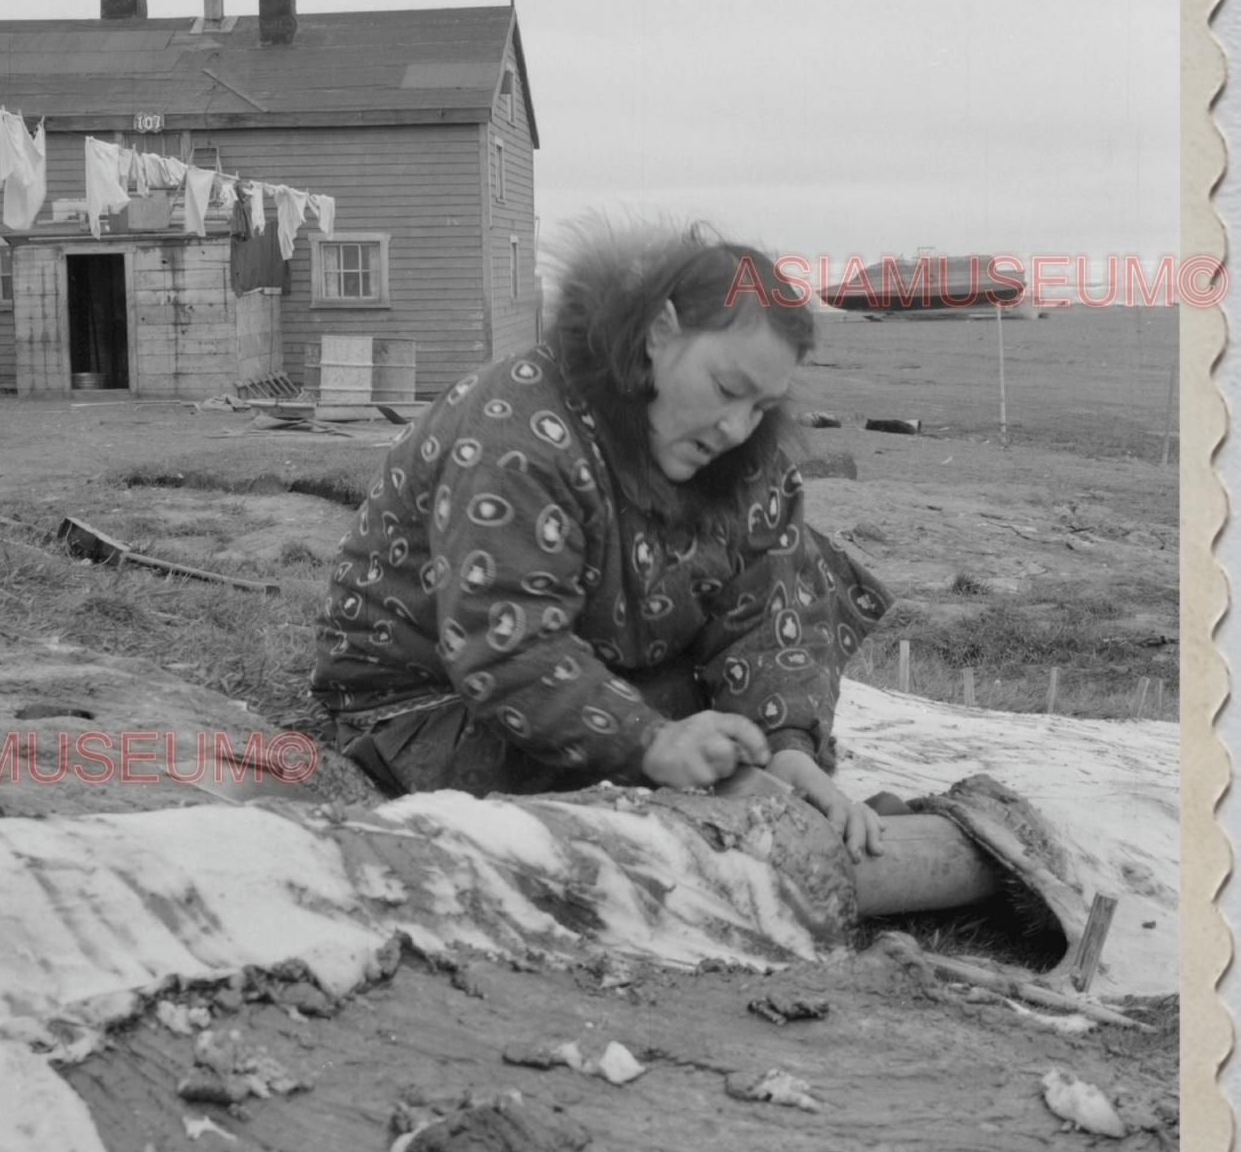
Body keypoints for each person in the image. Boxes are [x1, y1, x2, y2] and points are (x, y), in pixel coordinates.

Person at [310, 221, 894, 860]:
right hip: (432, 701)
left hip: (611, 665)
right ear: (659, 331)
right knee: (660, 799)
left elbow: (770, 613)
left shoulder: (744, 454)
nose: (736, 426)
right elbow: (506, 649)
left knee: (808, 582)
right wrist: (652, 743)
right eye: (727, 389)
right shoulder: (518, 434)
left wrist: (788, 746)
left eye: (761, 405)